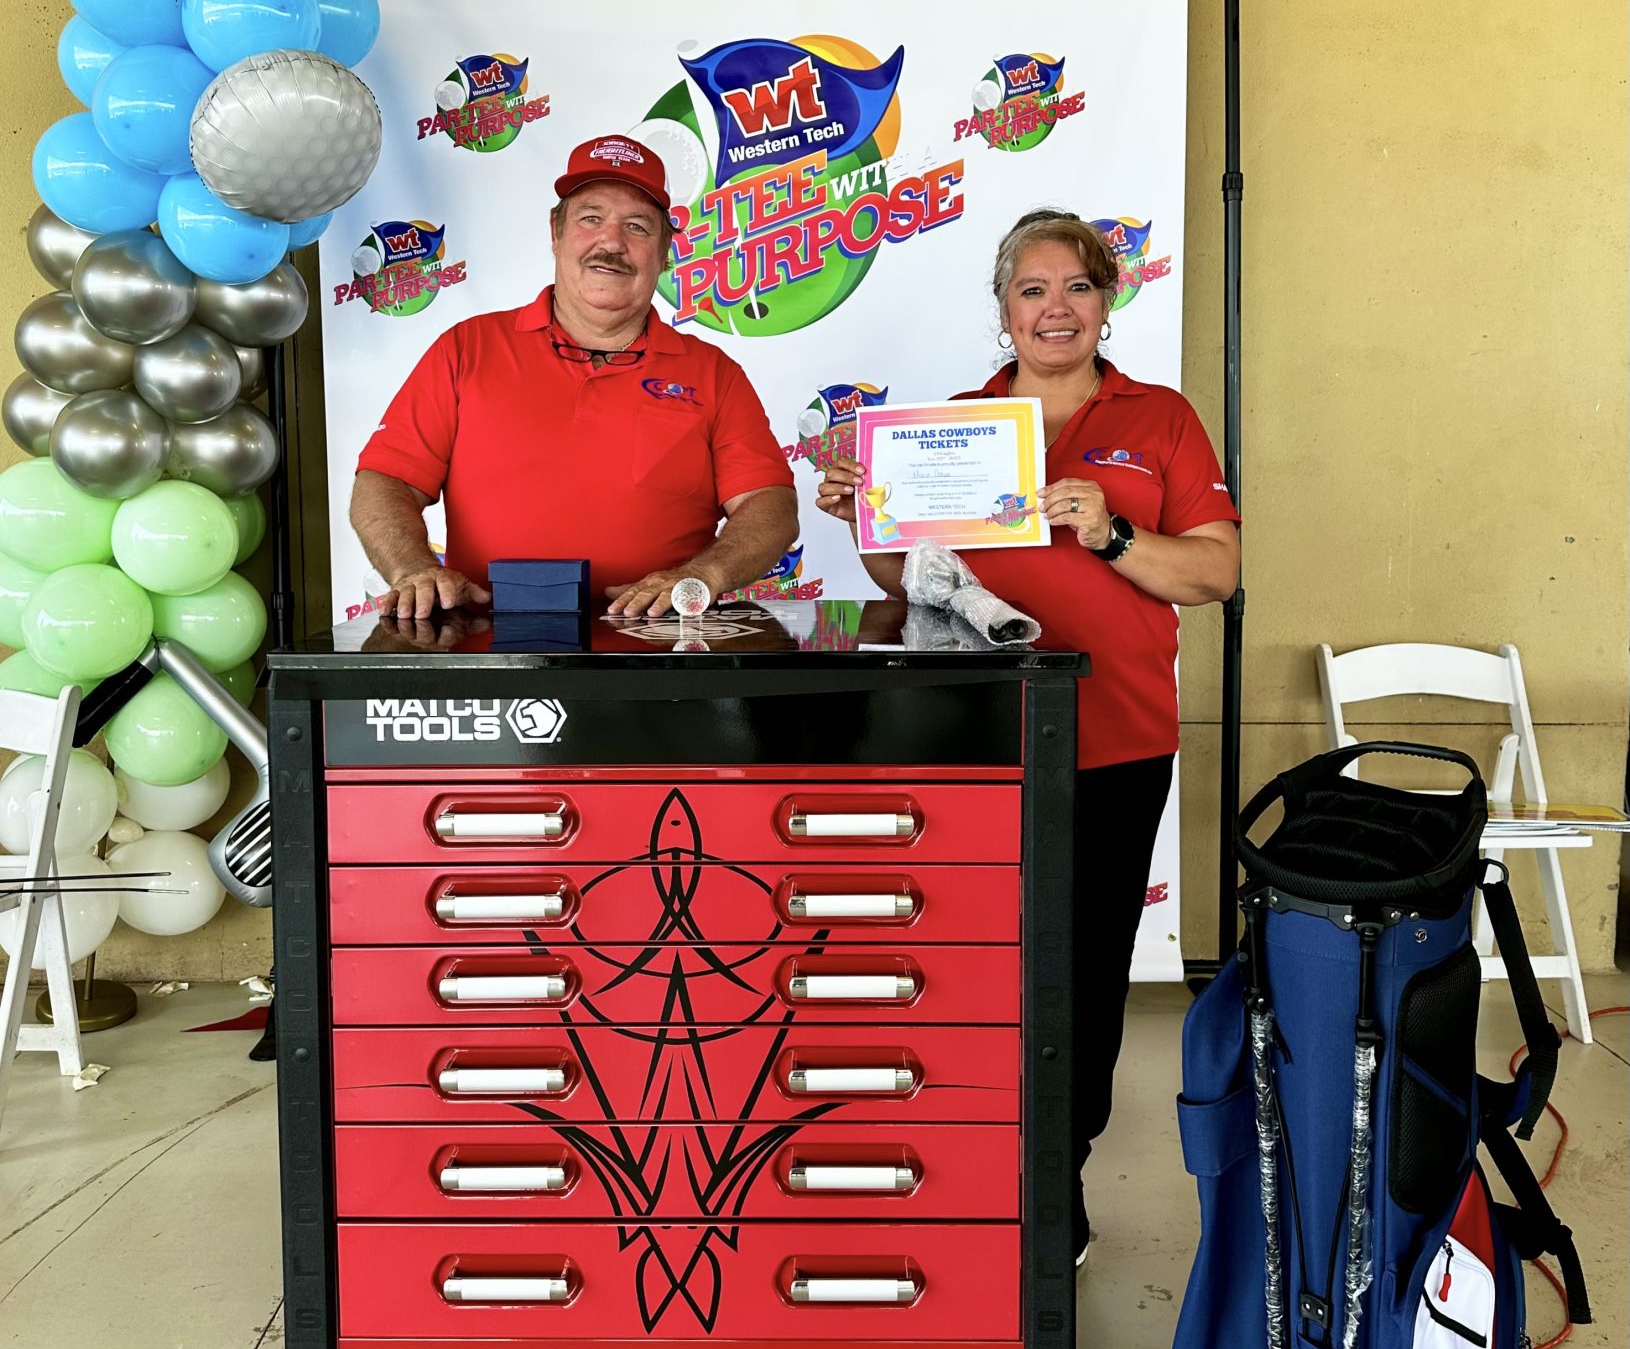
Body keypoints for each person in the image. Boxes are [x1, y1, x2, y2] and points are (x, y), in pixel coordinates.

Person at [816, 208, 1241, 1263]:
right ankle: (961, 1161)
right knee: (963, 963)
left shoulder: (1162, 418)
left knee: (1085, 974)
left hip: (1115, 739)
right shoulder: (952, 427)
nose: (1056, 308)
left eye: (1077, 286)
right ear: (1003, 310)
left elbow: (1215, 573)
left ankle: (1058, 1172)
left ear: (1107, 300)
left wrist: (1112, 532)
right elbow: (906, 580)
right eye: (1032, 289)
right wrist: (865, 516)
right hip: (970, 741)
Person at [351, 134, 798, 620]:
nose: (612, 243)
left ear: (666, 251)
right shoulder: (467, 349)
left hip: (658, 644)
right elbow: (386, 480)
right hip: (490, 643)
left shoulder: (715, 375)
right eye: (591, 218)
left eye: (637, 226)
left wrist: (703, 576)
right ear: (556, 231)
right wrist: (414, 569)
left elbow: (769, 504)